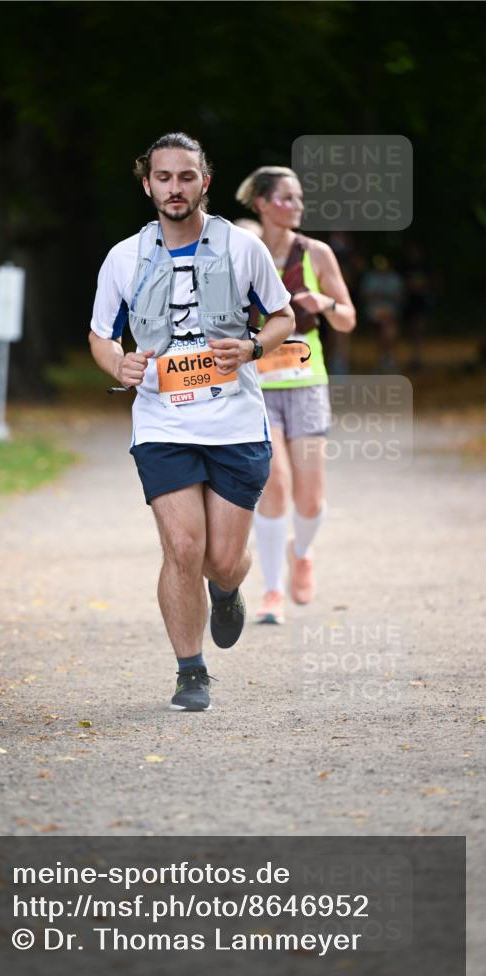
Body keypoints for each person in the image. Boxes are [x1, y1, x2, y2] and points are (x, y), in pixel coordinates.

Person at [89, 133, 294, 711]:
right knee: (182, 547)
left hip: (235, 422)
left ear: (204, 181)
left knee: (220, 560)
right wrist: (118, 363)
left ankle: (226, 590)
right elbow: (101, 335)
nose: (174, 188)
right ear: (147, 184)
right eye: (163, 177)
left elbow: (283, 316)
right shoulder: (124, 257)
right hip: (163, 423)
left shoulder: (243, 248)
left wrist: (252, 347)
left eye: (186, 177)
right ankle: (190, 671)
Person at [235, 166, 356, 625]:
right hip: (257, 387)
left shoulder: (316, 253)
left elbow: (347, 319)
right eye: (287, 198)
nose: (297, 206)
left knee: (310, 499)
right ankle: (271, 591)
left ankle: (301, 552)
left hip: (307, 384)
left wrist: (324, 303)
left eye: (300, 198)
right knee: (275, 488)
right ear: (263, 204)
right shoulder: (243, 251)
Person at [359, 254, 404, 373]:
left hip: (390, 313)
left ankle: (387, 358)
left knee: (388, 329)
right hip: (373, 313)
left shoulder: (394, 278)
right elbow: (365, 295)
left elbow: (399, 297)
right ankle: (384, 358)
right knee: (384, 330)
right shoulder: (370, 278)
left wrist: (380, 295)